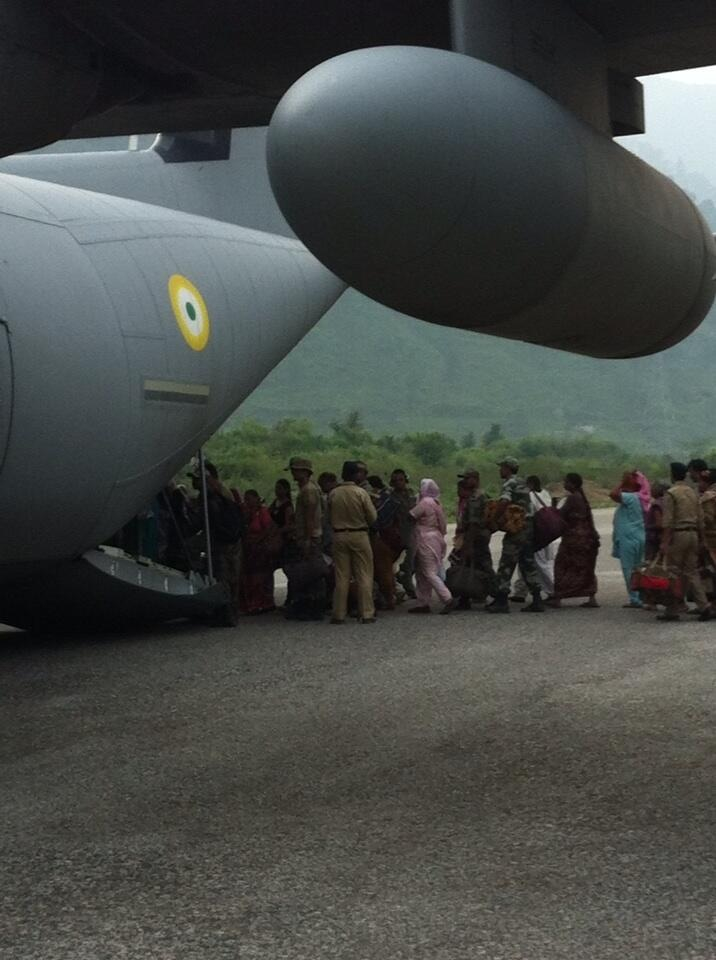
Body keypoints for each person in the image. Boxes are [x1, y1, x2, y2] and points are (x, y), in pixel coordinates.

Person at [487, 457, 543, 614]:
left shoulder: (509, 483)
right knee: (527, 564)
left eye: (502, 467)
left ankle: (501, 601)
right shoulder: (523, 482)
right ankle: (537, 599)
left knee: (506, 564)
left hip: (517, 529)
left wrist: (495, 519)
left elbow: (504, 501)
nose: (500, 470)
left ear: (508, 468)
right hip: (528, 528)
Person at [659, 461, 711, 622]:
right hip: (693, 534)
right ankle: (704, 606)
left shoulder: (671, 493)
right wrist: (703, 540)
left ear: (673, 475)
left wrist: (664, 542)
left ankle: (672, 609)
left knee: (673, 571)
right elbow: (701, 518)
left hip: (678, 535)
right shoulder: (692, 492)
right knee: (692, 571)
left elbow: (668, 520)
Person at [328, 460, 378, 623]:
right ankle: (366, 613)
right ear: (355, 474)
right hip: (359, 535)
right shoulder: (361, 493)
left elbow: (328, 517)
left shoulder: (334, 493)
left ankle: (338, 614)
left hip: (339, 535)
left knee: (342, 576)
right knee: (364, 574)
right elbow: (372, 517)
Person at [284, 456, 325, 620]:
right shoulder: (309, 488)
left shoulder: (308, 490)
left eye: (295, 470)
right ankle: (310, 607)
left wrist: (307, 540)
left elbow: (309, 517)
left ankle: (311, 608)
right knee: (310, 574)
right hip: (309, 536)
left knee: (310, 574)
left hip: (310, 537)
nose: (293, 473)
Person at [550, 473, 599, 608]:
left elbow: (560, 514)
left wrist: (553, 506)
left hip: (573, 538)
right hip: (586, 537)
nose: (564, 484)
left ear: (572, 484)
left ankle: (558, 597)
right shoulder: (582, 498)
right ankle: (591, 596)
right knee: (586, 566)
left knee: (562, 566)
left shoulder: (572, 498)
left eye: (566, 482)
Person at [408, 479, 454, 614]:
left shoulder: (425, 502)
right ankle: (423, 602)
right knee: (422, 572)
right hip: (435, 537)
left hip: (425, 539)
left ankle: (447, 598)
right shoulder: (436, 503)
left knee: (428, 572)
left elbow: (411, 515)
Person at [453, 469, 495, 610]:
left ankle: (499, 594)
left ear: (475, 479)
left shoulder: (476, 497)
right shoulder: (480, 495)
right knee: (467, 565)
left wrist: (468, 544)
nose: (464, 481)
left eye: (467, 478)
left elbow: (474, 523)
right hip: (478, 536)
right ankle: (465, 597)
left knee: (484, 566)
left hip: (476, 537)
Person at [511, 475, 556, 601]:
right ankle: (521, 592)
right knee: (527, 563)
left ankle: (553, 590)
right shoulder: (545, 494)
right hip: (545, 533)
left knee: (539, 564)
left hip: (535, 534)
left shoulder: (530, 496)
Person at [610, 470, 646, 608]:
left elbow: (613, 494)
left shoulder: (630, 497)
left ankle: (635, 598)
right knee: (637, 568)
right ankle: (641, 596)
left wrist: (622, 483)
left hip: (628, 538)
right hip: (639, 536)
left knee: (628, 569)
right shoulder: (640, 498)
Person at [239, 490, 277, 614]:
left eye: (249, 498)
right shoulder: (246, 513)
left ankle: (262, 603)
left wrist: (258, 540)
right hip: (249, 549)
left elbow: (269, 529)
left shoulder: (262, 512)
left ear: (256, 498)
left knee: (260, 577)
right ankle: (251, 603)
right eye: (246, 499)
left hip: (260, 549)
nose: (247, 501)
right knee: (249, 577)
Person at [390, 469, 417, 599]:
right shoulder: (391, 497)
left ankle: (405, 581)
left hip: (411, 531)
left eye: (401, 480)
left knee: (413, 561)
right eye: (395, 481)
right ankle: (404, 584)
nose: (398, 483)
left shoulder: (411, 494)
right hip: (396, 533)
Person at [644, 481, 668, 562]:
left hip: (654, 539)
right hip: (663, 538)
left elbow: (659, 523)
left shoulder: (656, 504)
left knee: (651, 562)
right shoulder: (667, 502)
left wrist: (647, 526)